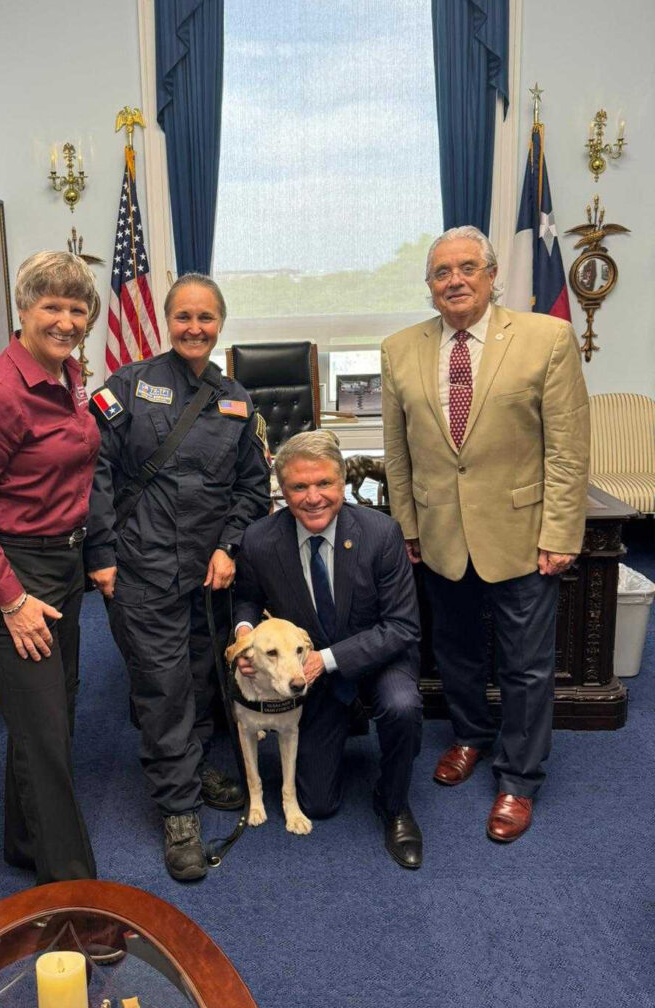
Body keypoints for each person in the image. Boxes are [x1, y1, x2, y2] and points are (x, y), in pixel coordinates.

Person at [381, 225, 590, 842]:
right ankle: (471, 736)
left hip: (523, 534)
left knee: (527, 666)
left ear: (492, 275)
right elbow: (398, 455)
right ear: (429, 286)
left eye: (468, 268)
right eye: (442, 272)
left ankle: (519, 779)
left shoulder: (546, 338)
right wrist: (406, 529)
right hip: (441, 534)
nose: (456, 281)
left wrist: (560, 532)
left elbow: (568, 449)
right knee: (457, 653)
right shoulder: (399, 349)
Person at [85, 272, 270, 882]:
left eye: (206, 318)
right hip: (140, 569)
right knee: (163, 691)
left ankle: (190, 769)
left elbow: (251, 488)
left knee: (199, 678)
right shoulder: (128, 387)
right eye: (184, 317)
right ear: (168, 322)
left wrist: (228, 547)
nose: (195, 328)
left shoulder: (236, 400)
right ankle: (178, 810)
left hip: (204, 579)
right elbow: (96, 474)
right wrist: (102, 554)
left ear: (220, 325)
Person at [0, 250, 99, 883]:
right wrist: (10, 599)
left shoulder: (67, 375)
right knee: (47, 738)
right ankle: (72, 895)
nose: (65, 320)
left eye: (77, 308)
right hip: (12, 574)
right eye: (51, 306)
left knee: (50, 714)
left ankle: (22, 842)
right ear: (23, 310)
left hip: (63, 565)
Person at [233, 430, 423, 868]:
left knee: (401, 706)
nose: (313, 497)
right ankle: (341, 724)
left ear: (342, 484)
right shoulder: (261, 540)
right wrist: (245, 636)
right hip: (305, 676)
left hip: (377, 658)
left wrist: (328, 659)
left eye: (325, 484)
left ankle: (394, 803)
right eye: (299, 486)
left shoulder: (381, 533)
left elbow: (401, 626)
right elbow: (245, 599)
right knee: (317, 804)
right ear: (281, 490)